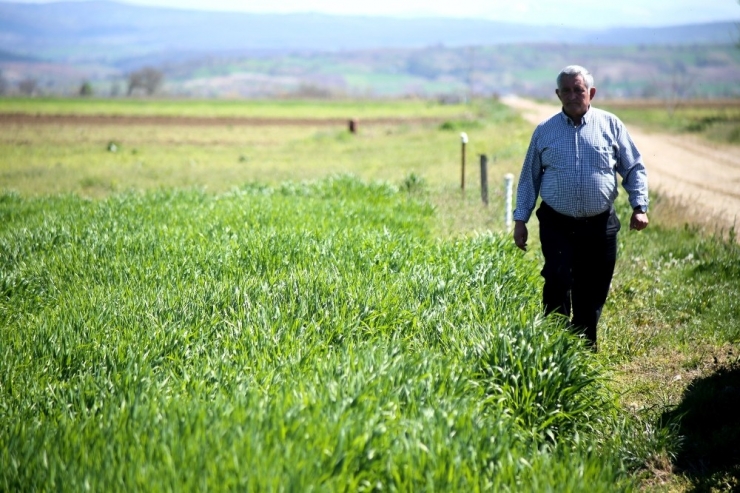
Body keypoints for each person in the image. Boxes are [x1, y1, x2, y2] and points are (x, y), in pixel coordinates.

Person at [512, 65, 649, 350]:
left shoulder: (611, 125)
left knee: (592, 288)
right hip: (557, 223)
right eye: (567, 90)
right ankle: (554, 348)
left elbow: (634, 168)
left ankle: (583, 351)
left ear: (592, 93)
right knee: (557, 279)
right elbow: (529, 179)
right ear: (557, 94)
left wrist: (639, 206)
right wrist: (520, 220)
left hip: (600, 225)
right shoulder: (544, 132)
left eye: (579, 90)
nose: (573, 95)